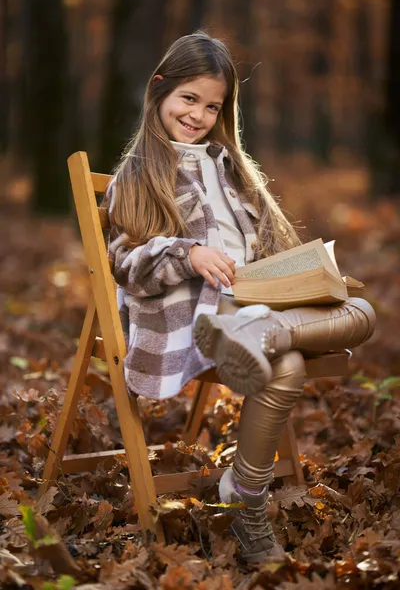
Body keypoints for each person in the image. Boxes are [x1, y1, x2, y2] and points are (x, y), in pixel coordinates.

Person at [103, 31, 376, 563]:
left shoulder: (233, 169)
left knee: (361, 312)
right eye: (188, 98)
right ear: (158, 89)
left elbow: (274, 245)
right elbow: (126, 263)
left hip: (255, 309)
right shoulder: (135, 175)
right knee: (290, 365)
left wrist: (306, 273)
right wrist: (188, 253)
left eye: (212, 106)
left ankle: (263, 335)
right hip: (195, 313)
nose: (198, 115)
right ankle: (247, 503)